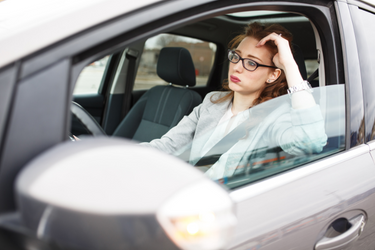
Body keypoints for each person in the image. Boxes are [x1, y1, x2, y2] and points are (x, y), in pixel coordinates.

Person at [144, 22, 327, 180]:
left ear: (273, 75)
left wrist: (289, 65)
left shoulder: (276, 116)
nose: (237, 67)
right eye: (236, 56)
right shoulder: (212, 102)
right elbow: (168, 146)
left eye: (251, 63)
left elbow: (310, 142)